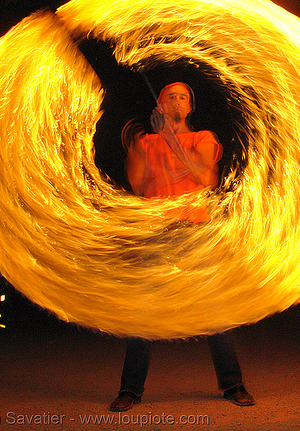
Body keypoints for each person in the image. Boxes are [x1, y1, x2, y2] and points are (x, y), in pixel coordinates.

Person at [109, 82, 254, 412]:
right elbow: (140, 185)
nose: (177, 101)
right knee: (144, 314)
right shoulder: (146, 143)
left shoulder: (203, 138)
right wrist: (137, 151)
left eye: (183, 97)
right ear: (159, 106)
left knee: (215, 311)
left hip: (194, 232)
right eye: (170, 97)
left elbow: (205, 179)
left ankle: (233, 384)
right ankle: (130, 390)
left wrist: (172, 140)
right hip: (159, 232)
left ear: (190, 107)